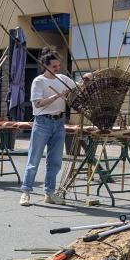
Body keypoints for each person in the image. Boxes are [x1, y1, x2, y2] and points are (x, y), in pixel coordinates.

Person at [20, 47, 86, 206]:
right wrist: (57, 95)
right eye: (54, 66)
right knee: (34, 158)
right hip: (42, 121)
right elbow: (37, 103)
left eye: (58, 65)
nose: (58, 69)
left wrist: (86, 79)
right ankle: (25, 192)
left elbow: (77, 87)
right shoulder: (39, 81)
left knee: (55, 160)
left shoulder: (63, 78)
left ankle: (49, 193)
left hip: (59, 122)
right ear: (46, 66)